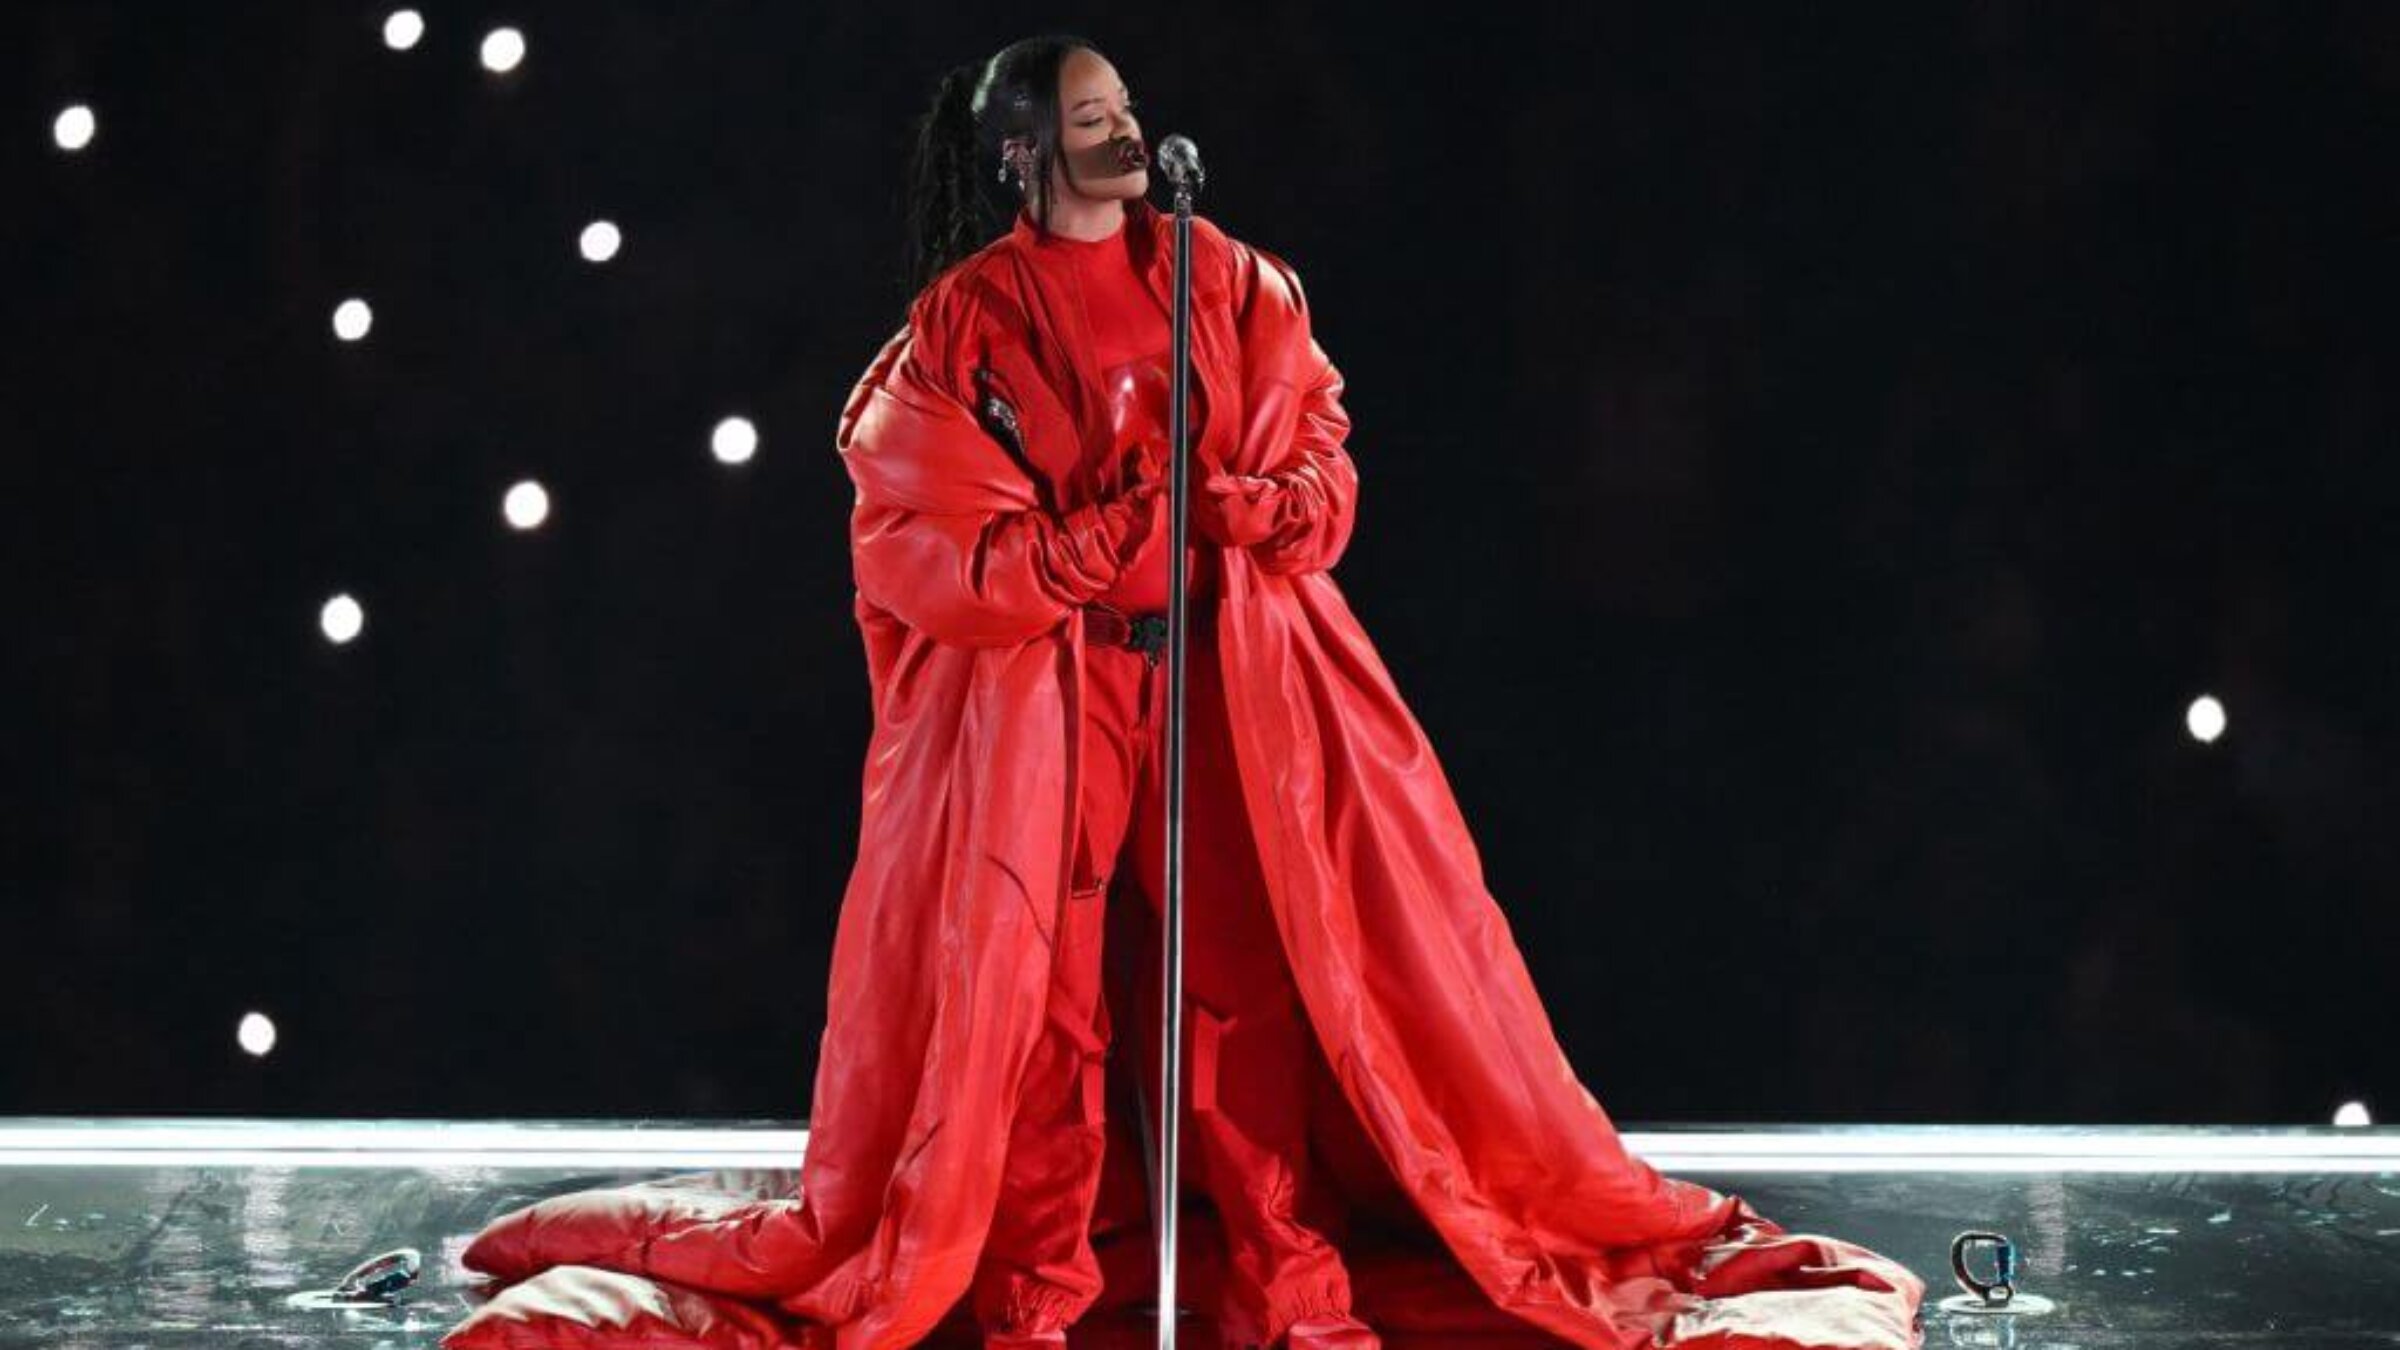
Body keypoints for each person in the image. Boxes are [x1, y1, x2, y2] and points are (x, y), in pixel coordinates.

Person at [442, 34, 1928, 1350]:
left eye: (1126, 105)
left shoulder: (1228, 279)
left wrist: (1246, 509)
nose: (1124, 131)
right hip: (1054, 707)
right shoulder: (962, 325)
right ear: (1024, 150)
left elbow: (1321, 467)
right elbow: (941, 543)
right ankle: (1035, 1296)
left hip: (1226, 696)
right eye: (1090, 113)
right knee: (1046, 1013)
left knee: (1244, 989)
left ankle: (1289, 1284)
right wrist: (1125, 531)